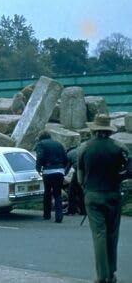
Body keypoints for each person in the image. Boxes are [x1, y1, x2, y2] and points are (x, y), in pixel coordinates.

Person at [77, 114, 129, 283]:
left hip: (92, 195)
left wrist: (86, 188)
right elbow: (129, 169)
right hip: (113, 194)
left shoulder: (84, 147)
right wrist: (119, 177)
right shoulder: (119, 147)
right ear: (109, 130)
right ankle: (112, 273)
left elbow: (79, 177)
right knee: (113, 235)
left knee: (99, 235)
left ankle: (102, 276)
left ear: (94, 129)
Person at [35, 130, 68, 223]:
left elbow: (40, 157)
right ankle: (59, 216)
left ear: (40, 137)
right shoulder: (58, 144)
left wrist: (38, 168)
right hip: (60, 171)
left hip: (48, 171)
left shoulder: (41, 144)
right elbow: (66, 158)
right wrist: (63, 169)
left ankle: (47, 215)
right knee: (57, 194)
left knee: (47, 193)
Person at [65, 145, 86, 216]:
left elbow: (67, 168)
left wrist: (63, 175)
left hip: (78, 171)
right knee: (80, 191)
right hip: (87, 171)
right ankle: (84, 210)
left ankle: (71, 210)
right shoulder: (81, 150)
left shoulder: (69, 154)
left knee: (72, 191)